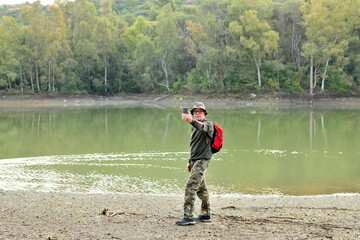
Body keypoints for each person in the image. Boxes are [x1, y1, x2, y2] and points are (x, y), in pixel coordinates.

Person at [176, 102, 214, 226]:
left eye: (200, 111)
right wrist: (189, 161)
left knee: (190, 187)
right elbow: (194, 146)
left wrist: (191, 121)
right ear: (192, 113)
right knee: (201, 189)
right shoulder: (194, 127)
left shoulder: (208, 124)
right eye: (195, 112)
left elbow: (201, 126)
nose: (198, 113)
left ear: (204, 113)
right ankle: (206, 214)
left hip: (203, 160)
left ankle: (188, 217)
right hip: (195, 161)